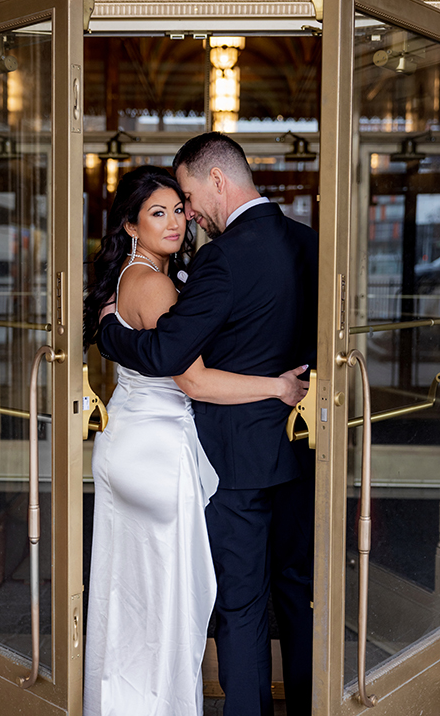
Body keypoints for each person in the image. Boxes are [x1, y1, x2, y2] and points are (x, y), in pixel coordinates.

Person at [98, 135, 318, 716]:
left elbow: (172, 352)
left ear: (217, 182)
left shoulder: (221, 258)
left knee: (243, 606)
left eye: (188, 198)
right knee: (296, 593)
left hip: (233, 458)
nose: (188, 214)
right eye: (169, 209)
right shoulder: (310, 242)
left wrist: (109, 332)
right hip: (302, 447)